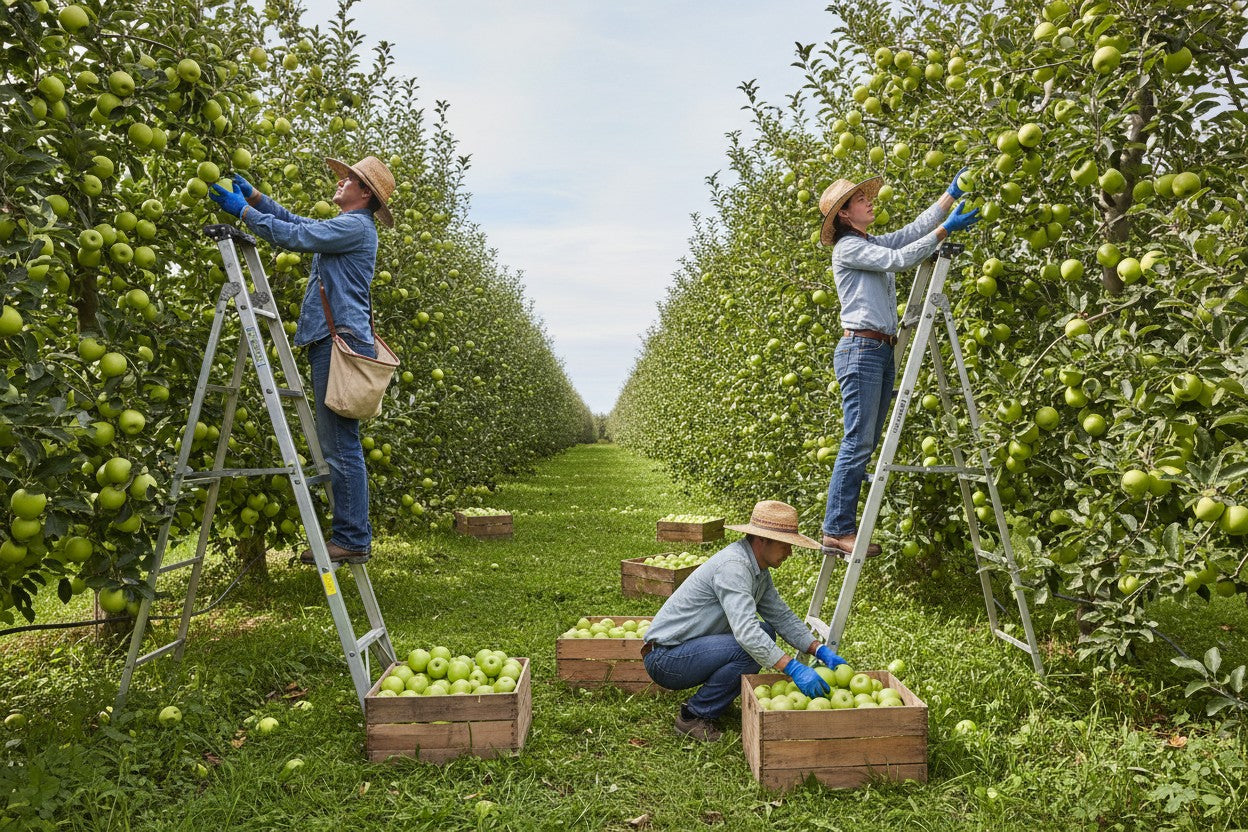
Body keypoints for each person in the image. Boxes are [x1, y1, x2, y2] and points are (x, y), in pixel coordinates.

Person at [208, 156, 395, 564]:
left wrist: (242, 211)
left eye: (349, 179)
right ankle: (351, 535)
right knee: (339, 442)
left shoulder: (355, 226)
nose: (341, 182)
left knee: (340, 445)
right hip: (334, 339)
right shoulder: (350, 226)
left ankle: (351, 539)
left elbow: (296, 237)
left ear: (364, 193)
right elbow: (300, 225)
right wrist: (257, 199)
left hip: (339, 342)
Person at [816, 171, 980, 560]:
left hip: (879, 351)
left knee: (867, 442)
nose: (870, 202)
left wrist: (949, 197)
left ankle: (840, 524)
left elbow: (909, 234)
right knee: (857, 441)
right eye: (860, 200)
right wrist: (945, 233)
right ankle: (836, 530)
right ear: (843, 214)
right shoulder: (848, 249)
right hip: (861, 350)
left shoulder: (867, 242)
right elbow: (901, 259)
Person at [641, 500, 847, 742]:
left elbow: (780, 615)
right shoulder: (734, 567)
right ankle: (693, 715)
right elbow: (747, 634)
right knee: (750, 646)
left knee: (766, 632)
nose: (790, 553)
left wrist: (819, 649)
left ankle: (718, 699)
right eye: (785, 545)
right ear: (762, 540)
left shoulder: (757, 570)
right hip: (666, 658)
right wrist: (793, 668)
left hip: (689, 649)